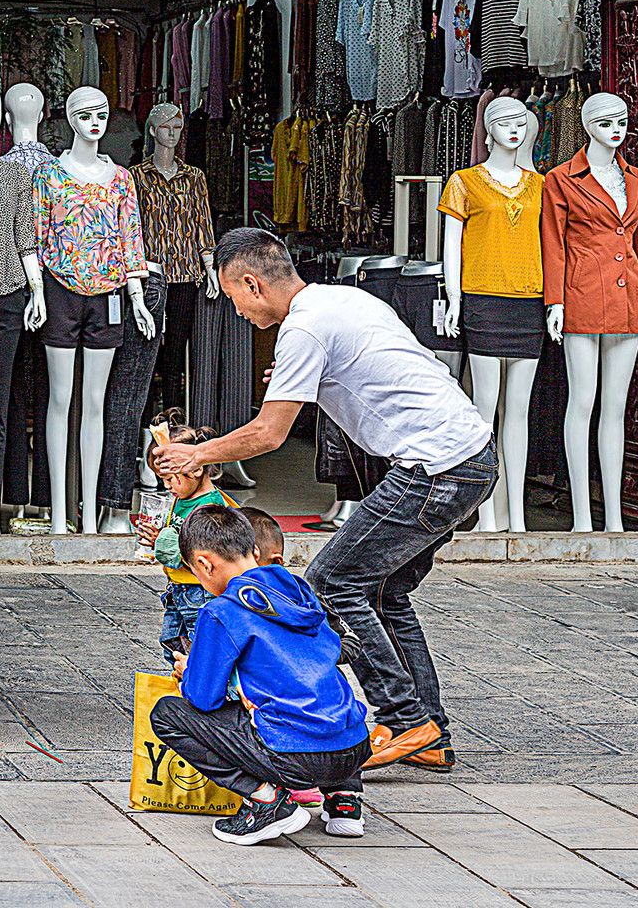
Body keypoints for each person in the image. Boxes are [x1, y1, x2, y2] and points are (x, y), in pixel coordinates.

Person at [155, 227, 498, 772]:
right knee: (382, 591)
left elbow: (268, 434)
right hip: (469, 457)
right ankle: (426, 730)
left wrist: (197, 455)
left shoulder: (303, 330)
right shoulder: (341, 300)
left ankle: (407, 722)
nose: (237, 311)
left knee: (330, 585)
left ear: (252, 283)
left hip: (433, 469)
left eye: (235, 297)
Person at [150, 505, 372, 845]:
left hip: (298, 759)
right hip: (355, 747)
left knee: (167, 715)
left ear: (205, 564)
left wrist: (190, 668)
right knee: (319, 689)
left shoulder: (220, 611)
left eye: (195, 570)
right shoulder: (299, 589)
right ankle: (345, 800)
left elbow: (203, 698)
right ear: (254, 550)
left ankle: (266, 802)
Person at [241, 505, 361, 812]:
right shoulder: (238, 601)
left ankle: (342, 797)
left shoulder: (307, 598)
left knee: (333, 693)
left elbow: (351, 642)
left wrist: (319, 658)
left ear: (270, 561)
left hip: (313, 711)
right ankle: (315, 789)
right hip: (313, 727)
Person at [138, 408, 228, 663]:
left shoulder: (208, 507)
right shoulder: (183, 497)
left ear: (196, 469)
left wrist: (161, 543)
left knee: (198, 651)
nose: (166, 486)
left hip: (199, 592)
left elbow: (200, 553)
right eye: (162, 479)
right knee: (174, 647)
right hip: (179, 589)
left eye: (169, 478)